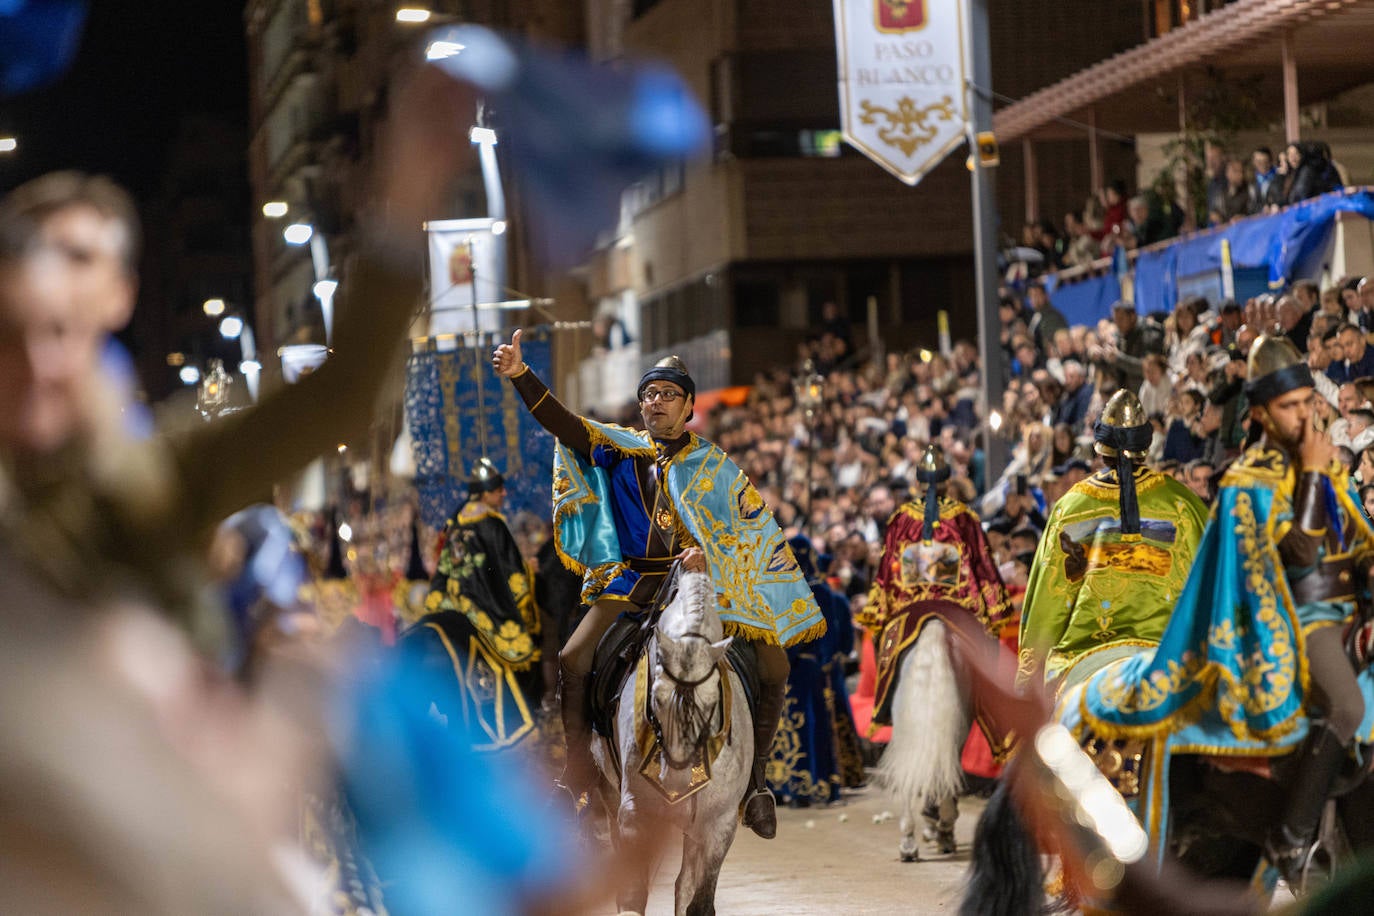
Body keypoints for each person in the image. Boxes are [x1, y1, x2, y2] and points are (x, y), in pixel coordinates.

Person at [0, 67, 472, 654]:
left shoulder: (149, 479)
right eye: (9, 336)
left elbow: (334, 401)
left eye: (58, 331)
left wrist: (407, 208)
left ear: (121, 293)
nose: (39, 363)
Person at [492, 334, 823, 839]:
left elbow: (746, 537)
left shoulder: (718, 468)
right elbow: (562, 422)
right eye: (649, 394)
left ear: (689, 405)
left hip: (702, 584)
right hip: (635, 582)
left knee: (775, 663)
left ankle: (754, 785)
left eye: (669, 394)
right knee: (573, 657)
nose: (656, 402)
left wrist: (708, 560)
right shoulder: (618, 449)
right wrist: (520, 374)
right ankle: (577, 772)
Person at [1079, 334, 1374, 884]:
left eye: (1307, 403)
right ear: (1261, 413)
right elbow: (1295, 553)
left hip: (1341, 614)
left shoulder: (1328, 470)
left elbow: (1357, 537)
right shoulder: (1247, 483)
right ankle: (1292, 840)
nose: (1303, 416)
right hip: (1281, 621)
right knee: (1351, 707)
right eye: (1290, 407)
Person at [859, 444, 1011, 842]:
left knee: (890, 656)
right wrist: (995, 612)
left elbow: (885, 579)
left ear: (917, 483)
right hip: (957, 613)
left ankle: (885, 708)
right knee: (983, 670)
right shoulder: (965, 518)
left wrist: (879, 615)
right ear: (946, 482)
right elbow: (984, 569)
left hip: (910, 614)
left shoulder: (898, 521)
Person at [1017, 390, 1208, 690]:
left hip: (1085, 657)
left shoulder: (1071, 506)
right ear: (1145, 446)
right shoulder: (1183, 503)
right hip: (1171, 652)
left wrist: (1028, 682)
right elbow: (1211, 583)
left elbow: (1047, 602)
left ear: (1101, 450)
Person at [405, 459, 543, 751]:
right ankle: (529, 721)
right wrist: (530, 577)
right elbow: (513, 576)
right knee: (525, 651)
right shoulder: (492, 523)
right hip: (483, 610)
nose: (503, 494)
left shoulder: (455, 522)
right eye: (498, 489)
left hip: (446, 603)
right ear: (486, 493)